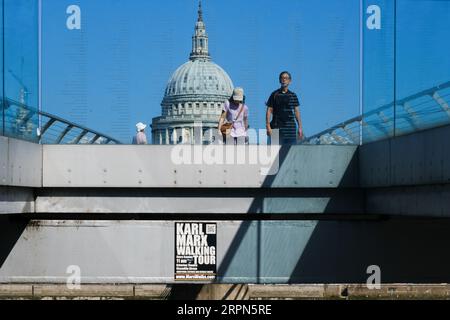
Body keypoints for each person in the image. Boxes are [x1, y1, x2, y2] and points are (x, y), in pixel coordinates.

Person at [266, 71, 303, 145]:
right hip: (276, 128)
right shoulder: (274, 94)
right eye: (282, 78)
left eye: (286, 78)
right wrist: (268, 126)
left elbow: (296, 112)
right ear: (279, 80)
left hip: (290, 129)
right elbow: (269, 110)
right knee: (274, 153)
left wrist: (300, 127)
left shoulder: (293, 95)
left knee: (290, 153)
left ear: (290, 81)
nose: (284, 80)